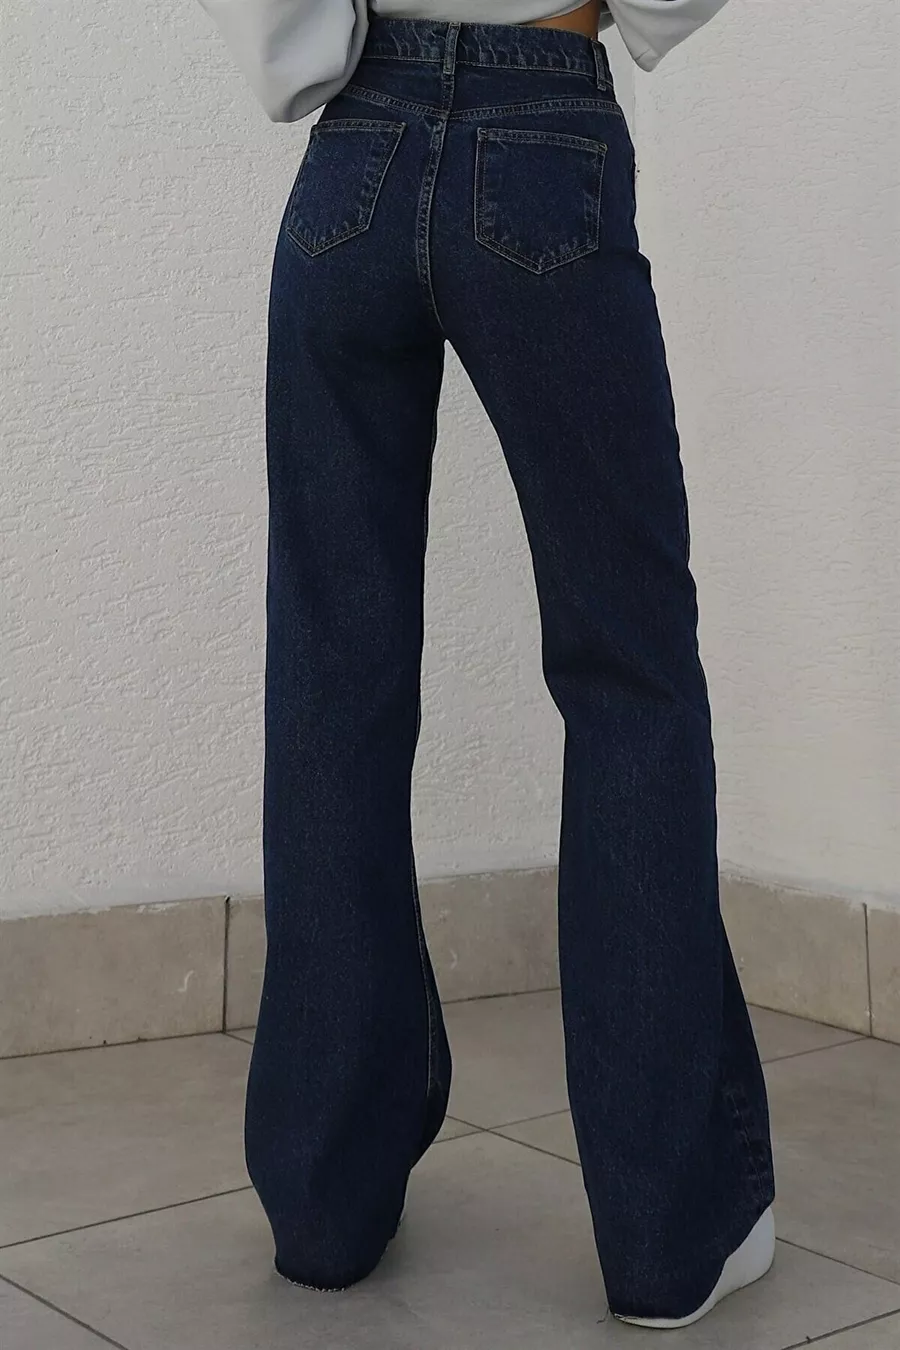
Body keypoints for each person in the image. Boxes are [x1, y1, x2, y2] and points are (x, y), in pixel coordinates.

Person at [197, 0, 777, 1329]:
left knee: (332, 681)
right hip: (545, 129)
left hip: (352, 162)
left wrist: (314, 48)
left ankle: (325, 1208)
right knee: (630, 676)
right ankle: (668, 1235)